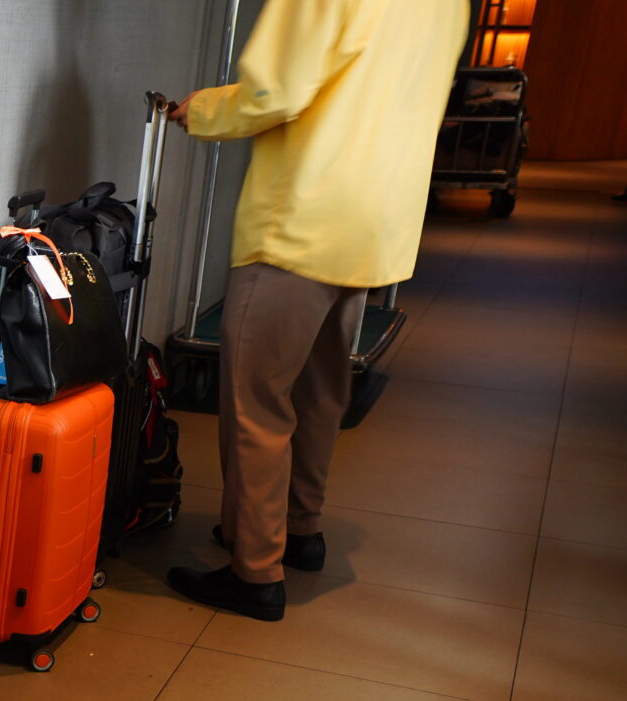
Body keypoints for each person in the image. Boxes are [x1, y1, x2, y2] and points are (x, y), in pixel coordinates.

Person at [164, 0, 468, 621]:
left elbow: (276, 89)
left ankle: (255, 570)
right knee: (321, 391)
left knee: (257, 401)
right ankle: (299, 530)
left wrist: (203, 110)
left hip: (302, 216)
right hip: (376, 217)